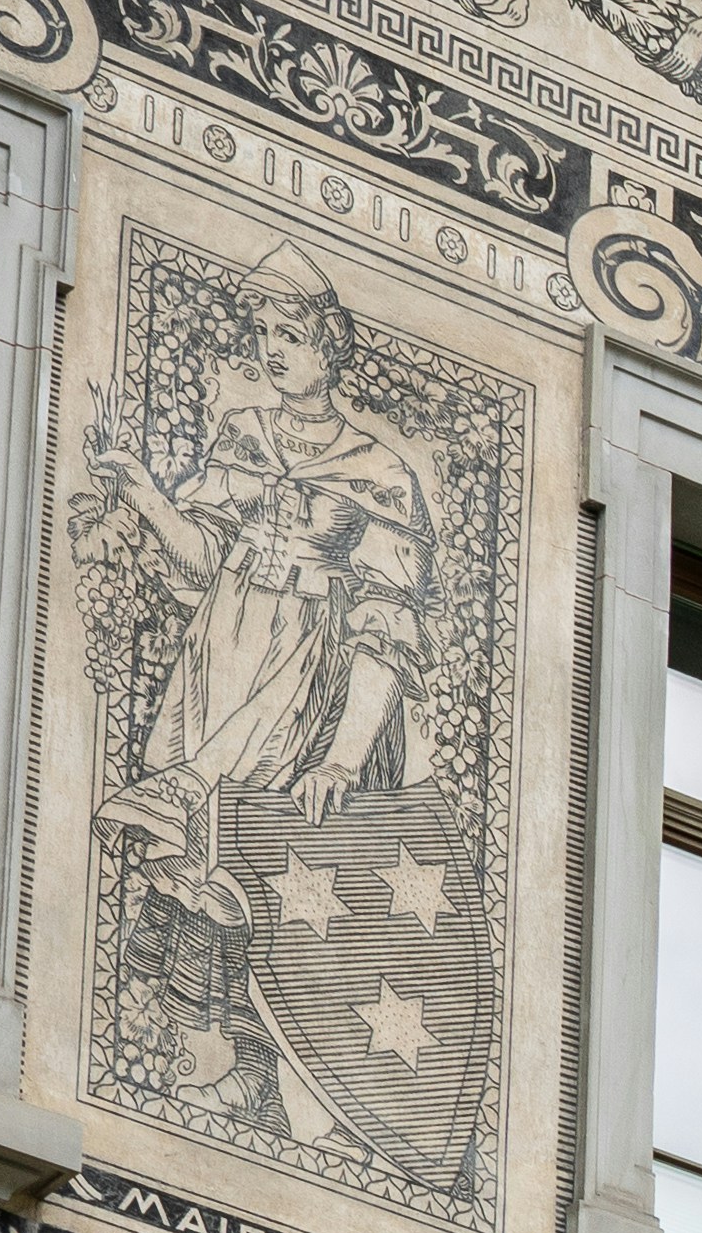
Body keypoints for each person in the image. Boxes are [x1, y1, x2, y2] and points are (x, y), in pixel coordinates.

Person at [84, 246, 443, 1124]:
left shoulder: (378, 471)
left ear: (332, 346)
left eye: (290, 334)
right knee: (191, 861)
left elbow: (385, 631)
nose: (272, 349)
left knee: (241, 858)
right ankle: (214, 1061)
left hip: (301, 671)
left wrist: (344, 760)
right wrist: (142, 492)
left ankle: (255, 1071)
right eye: (263, 333)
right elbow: (205, 557)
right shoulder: (243, 434)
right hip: (219, 653)